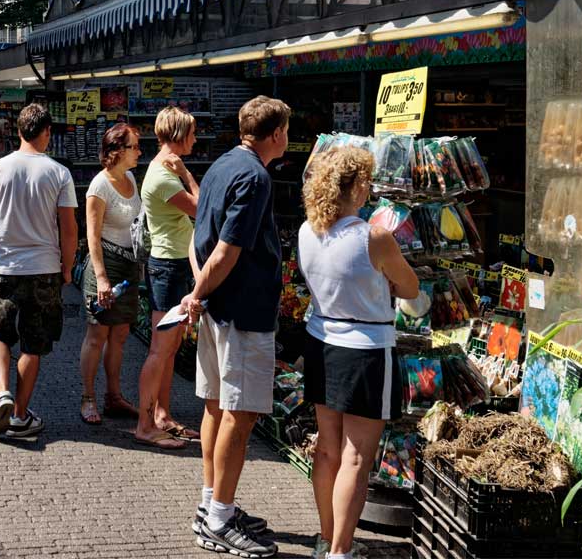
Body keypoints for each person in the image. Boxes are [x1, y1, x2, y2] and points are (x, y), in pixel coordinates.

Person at [181, 96, 291, 558]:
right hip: (241, 311)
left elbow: (198, 239)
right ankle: (221, 519)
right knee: (239, 415)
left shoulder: (224, 164)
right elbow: (228, 249)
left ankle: (212, 504)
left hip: (216, 308)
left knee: (214, 406)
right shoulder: (256, 176)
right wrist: (199, 294)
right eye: (286, 129)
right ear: (275, 135)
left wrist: (198, 291)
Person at [298, 146, 418, 559]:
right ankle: (341, 552)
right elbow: (411, 288)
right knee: (355, 458)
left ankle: (327, 538)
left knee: (328, 450)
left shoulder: (306, 230)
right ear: (358, 185)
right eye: (367, 179)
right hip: (366, 349)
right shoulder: (374, 236)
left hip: (321, 341)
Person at [0, 104, 76, 439]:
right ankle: (19, 416)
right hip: (44, 269)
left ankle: (2, 392)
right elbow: (69, 228)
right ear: (46, 132)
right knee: (34, 343)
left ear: (18, 131)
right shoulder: (59, 173)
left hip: (3, 265)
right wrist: (68, 266)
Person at [135, 107, 202, 448]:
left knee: (170, 347)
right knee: (160, 350)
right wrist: (188, 174)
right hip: (167, 266)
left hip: (171, 263)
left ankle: (161, 414)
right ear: (177, 135)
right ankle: (144, 425)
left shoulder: (163, 169)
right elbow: (203, 209)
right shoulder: (165, 175)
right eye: (191, 132)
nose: (195, 138)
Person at [78, 123, 143, 428]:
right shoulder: (98, 187)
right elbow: (91, 236)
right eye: (134, 147)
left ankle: (113, 396)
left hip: (129, 267)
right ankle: (88, 397)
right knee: (98, 334)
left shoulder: (130, 178)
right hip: (105, 265)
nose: (139, 152)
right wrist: (102, 278)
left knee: (120, 335)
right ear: (117, 151)